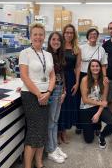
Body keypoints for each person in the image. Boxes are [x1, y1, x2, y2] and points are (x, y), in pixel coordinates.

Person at [19, 23, 55, 168]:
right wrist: (40, 94)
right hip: (31, 96)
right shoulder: (25, 53)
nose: (38, 37)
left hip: (46, 95)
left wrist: (48, 92)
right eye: (35, 34)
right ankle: (28, 166)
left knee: (43, 129)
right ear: (31, 36)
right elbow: (24, 76)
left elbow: (52, 76)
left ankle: (39, 163)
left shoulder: (48, 55)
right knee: (34, 130)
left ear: (44, 36)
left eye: (41, 34)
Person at [79, 59, 112, 148]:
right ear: (89, 68)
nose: (95, 68)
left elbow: (104, 100)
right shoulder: (85, 80)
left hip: (98, 108)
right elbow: (85, 100)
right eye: (93, 66)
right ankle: (91, 127)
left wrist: (98, 114)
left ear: (100, 68)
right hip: (86, 108)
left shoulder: (104, 81)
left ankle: (102, 136)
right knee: (89, 140)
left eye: (97, 66)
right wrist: (100, 103)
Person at [79, 28, 108, 134]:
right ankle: (82, 125)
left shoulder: (101, 49)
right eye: (91, 34)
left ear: (97, 36)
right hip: (84, 75)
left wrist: (104, 77)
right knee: (83, 100)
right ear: (87, 36)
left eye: (95, 34)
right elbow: (77, 64)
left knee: (98, 98)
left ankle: (96, 125)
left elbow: (103, 65)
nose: (93, 36)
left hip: (97, 76)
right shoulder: (81, 48)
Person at [46, 32, 68, 163]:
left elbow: (62, 74)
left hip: (60, 89)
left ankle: (54, 146)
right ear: (49, 41)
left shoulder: (60, 55)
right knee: (51, 121)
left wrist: (64, 91)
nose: (56, 42)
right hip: (52, 90)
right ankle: (50, 150)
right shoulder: (46, 55)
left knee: (55, 120)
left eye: (58, 40)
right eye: (53, 39)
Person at [58, 24, 81, 142]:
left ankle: (64, 131)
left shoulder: (76, 49)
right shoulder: (59, 46)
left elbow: (77, 67)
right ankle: (58, 131)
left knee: (68, 105)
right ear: (63, 33)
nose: (69, 34)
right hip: (60, 78)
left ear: (74, 34)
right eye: (67, 32)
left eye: (71, 33)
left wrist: (77, 83)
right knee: (59, 105)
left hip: (71, 78)